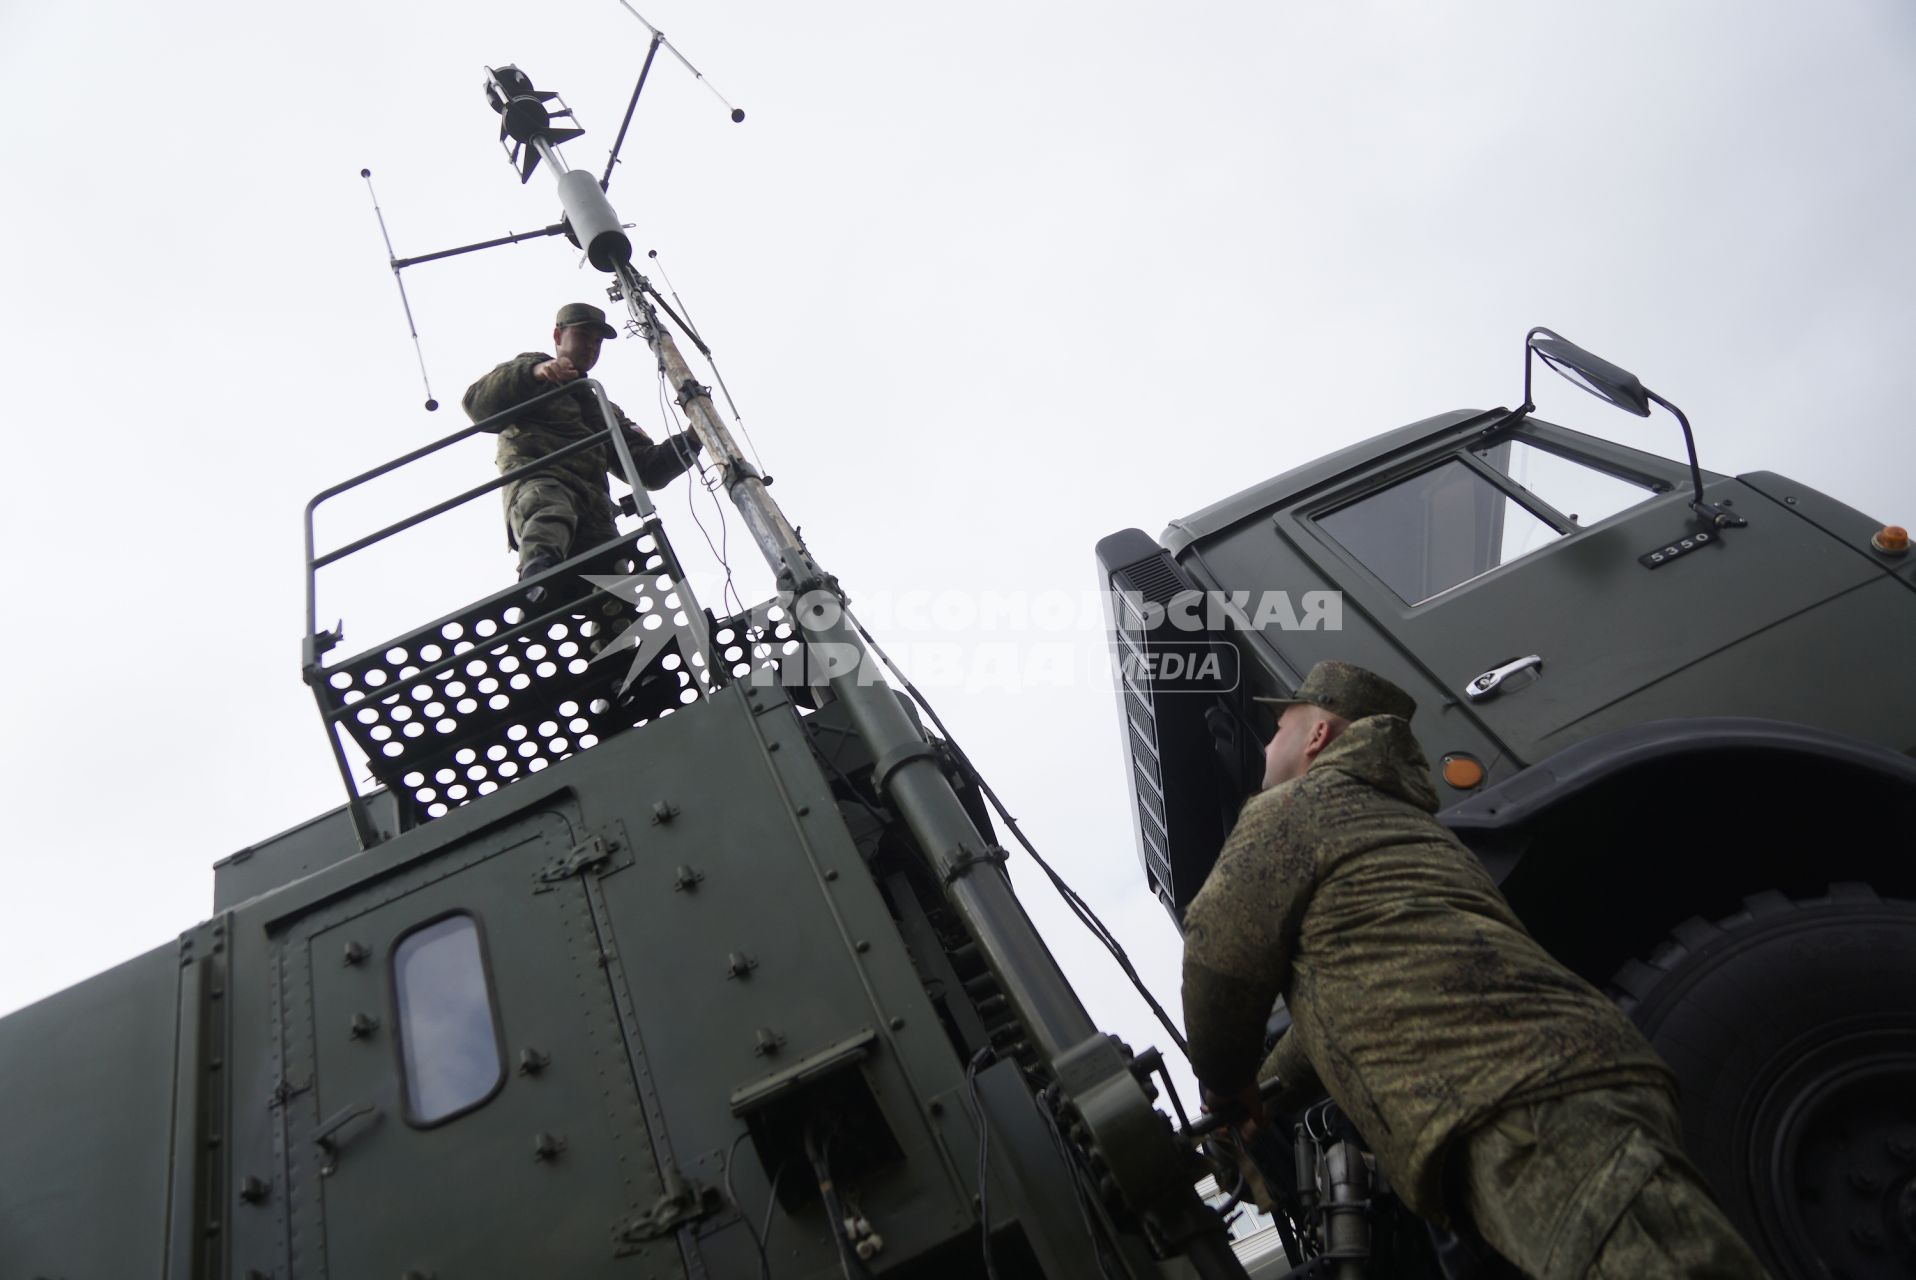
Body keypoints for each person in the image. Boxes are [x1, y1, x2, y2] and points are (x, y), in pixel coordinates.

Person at [1180, 661, 1768, 1278]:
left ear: (1319, 736)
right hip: (1535, 1089)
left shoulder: (1294, 810)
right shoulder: (1396, 828)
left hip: (1519, 1103)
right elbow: (1345, 1008)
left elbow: (1218, 952)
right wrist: (1261, 1095)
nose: (1267, 746)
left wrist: (1224, 1080)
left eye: (1279, 729)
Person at [463, 302, 702, 601]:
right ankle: (536, 585)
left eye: (597, 341)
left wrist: (693, 439)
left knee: (612, 571)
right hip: (541, 481)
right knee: (550, 510)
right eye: (583, 336)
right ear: (558, 336)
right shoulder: (527, 373)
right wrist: (536, 372)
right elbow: (477, 404)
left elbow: (645, 468)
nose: (591, 346)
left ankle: (615, 636)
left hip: (593, 508)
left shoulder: (602, 407)